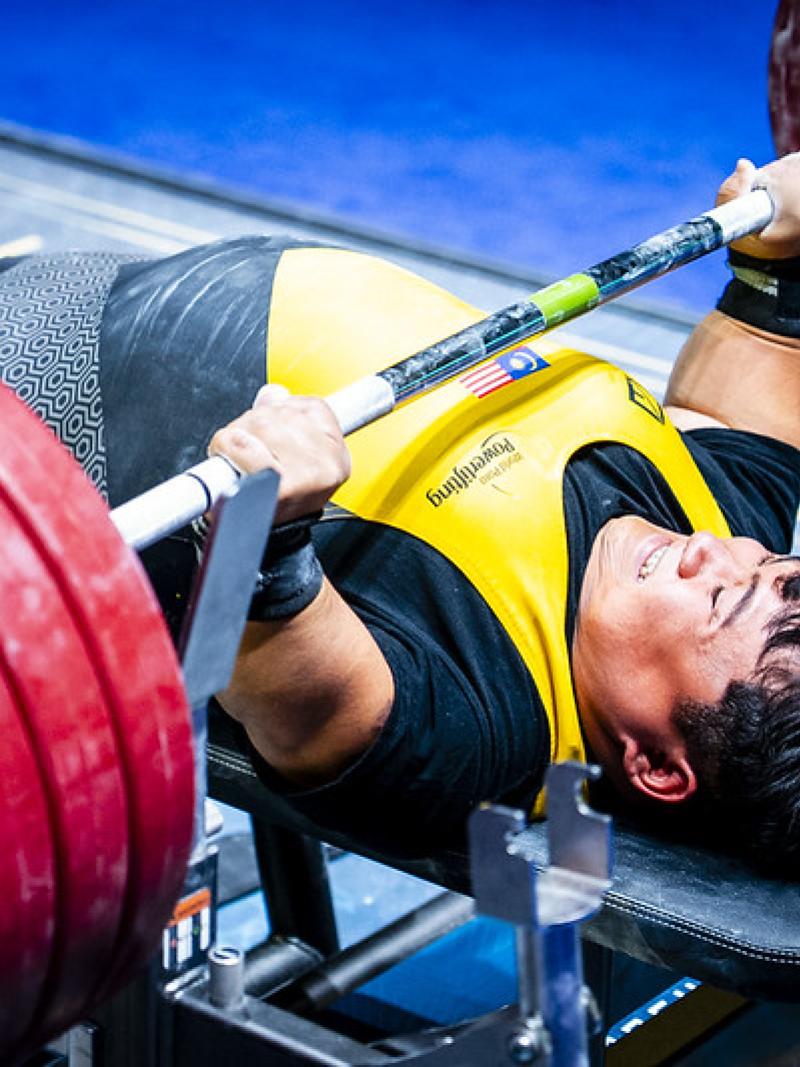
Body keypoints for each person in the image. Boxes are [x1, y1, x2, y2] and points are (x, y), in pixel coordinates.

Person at [1, 154, 799, 871]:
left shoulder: (471, 730)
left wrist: (267, 527)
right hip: (122, 279)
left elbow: (300, 690)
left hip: (41, 411)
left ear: (655, 765)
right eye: (764, 563)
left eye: (721, 598)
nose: (715, 552)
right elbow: (758, 358)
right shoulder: (720, 523)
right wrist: (776, 250)